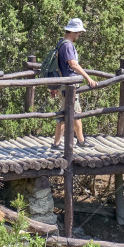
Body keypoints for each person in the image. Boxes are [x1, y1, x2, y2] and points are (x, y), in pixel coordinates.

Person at [50, 18, 98, 149]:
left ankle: (58, 142)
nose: (79, 35)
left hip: (63, 84)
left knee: (65, 112)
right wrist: (88, 78)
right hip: (68, 85)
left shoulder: (61, 43)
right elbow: (73, 64)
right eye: (79, 32)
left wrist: (55, 86)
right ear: (74, 31)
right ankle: (80, 141)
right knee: (75, 112)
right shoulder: (67, 45)